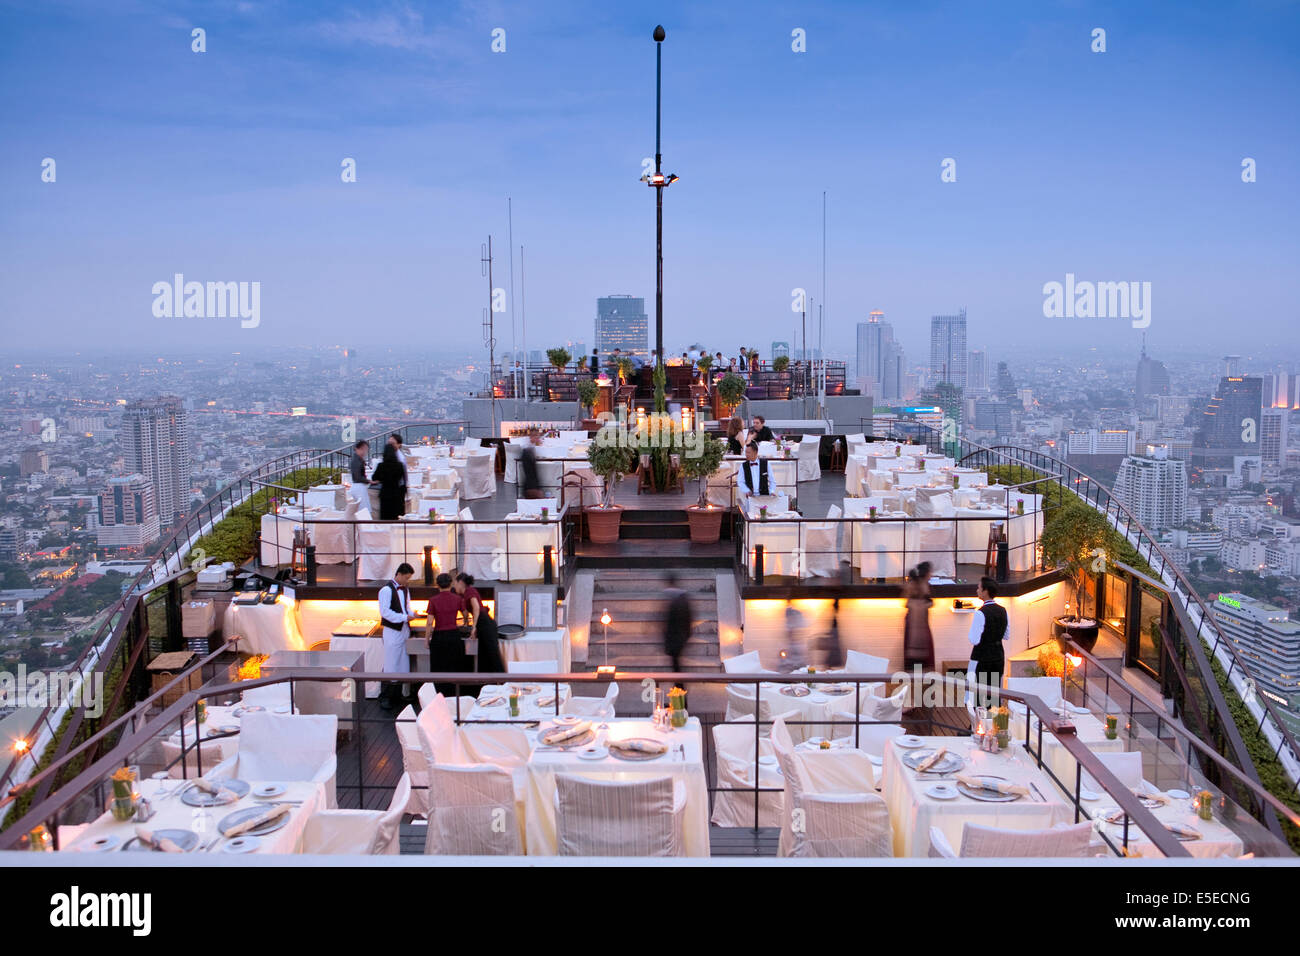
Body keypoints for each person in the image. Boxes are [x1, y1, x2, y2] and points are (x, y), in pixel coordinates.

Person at [377, 563, 415, 711]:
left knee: (403, 663)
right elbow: (385, 612)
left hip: (404, 630)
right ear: (398, 574)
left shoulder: (405, 589)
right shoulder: (385, 590)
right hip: (392, 631)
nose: (407, 581)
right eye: (406, 578)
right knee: (391, 663)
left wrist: (411, 615)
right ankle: (385, 697)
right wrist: (404, 617)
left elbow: (407, 606)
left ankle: (400, 694)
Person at [967, 576, 1009, 709]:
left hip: (982, 657)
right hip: (998, 656)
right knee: (994, 692)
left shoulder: (980, 613)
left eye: (979, 588)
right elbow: (1007, 635)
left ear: (985, 591)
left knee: (978, 693)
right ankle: (995, 724)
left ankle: (977, 725)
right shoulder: (1003, 610)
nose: (977, 590)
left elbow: (974, 639)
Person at [425, 572, 469, 695]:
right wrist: (465, 622)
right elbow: (465, 613)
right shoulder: (458, 599)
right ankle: (455, 694)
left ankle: (440, 695)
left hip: (439, 637)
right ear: (451, 584)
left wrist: (426, 639)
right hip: (454, 636)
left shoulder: (433, 600)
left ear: (437, 585)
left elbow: (429, 623)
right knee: (455, 666)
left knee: (439, 667)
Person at [454, 573, 505, 673]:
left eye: (455, 583)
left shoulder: (470, 591)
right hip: (483, 624)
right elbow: (466, 611)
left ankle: (503, 682)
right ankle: (488, 682)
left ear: (460, 582)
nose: (454, 586)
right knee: (484, 655)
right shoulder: (464, 594)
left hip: (486, 624)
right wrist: (467, 622)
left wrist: (473, 627)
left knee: (492, 655)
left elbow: (476, 607)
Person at [903, 562, 935, 672]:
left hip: (913, 622)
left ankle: (915, 679)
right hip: (919, 623)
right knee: (922, 653)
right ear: (926, 574)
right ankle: (922, 679)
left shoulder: (913, 585)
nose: (931, 575)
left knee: (913, 654)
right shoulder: (922, 586)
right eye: (930, 572)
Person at [663, 572, 691, 693]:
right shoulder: (682, 598)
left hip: (676, 641)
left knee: (677, 670)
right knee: (676, 669)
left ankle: (680, 697)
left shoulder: (675, 599)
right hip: (679, 640)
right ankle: (678, 696)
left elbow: (672, 621)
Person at [370, 443, 406, 520]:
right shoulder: (399, 465)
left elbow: (374, 477)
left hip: (385, 495)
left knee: (385, 519)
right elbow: (402, 479)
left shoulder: (381, 466)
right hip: (397, 495)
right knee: (397, 518)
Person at [518, 426, 544, 499]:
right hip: (530, 485)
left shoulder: (529, 448)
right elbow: (530, 471)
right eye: (537, 436)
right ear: (532, 436)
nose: (538, 438)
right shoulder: (527, 450)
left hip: (531, 483)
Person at [347, 439, 371, 508]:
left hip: (359, 487)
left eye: (366, 449)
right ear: (357, 449)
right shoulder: (356, 461)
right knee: (363, 509)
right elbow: (358, 477)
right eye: (362, 449)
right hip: (359, 488)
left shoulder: (358, 459)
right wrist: (369, 481)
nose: (364, 452)